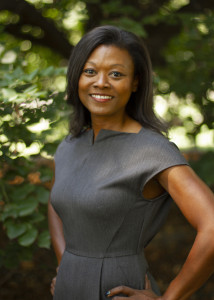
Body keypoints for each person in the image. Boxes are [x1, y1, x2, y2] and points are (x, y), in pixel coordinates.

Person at [48, 25, 214, 300]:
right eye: (90, 71)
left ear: (135, 82)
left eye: (116, 74)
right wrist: (66, 265)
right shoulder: (69, 145)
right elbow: (56, 203)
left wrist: (169, 298)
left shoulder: (152, 151)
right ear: (76, 76)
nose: (101, 82)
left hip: (118, 290)